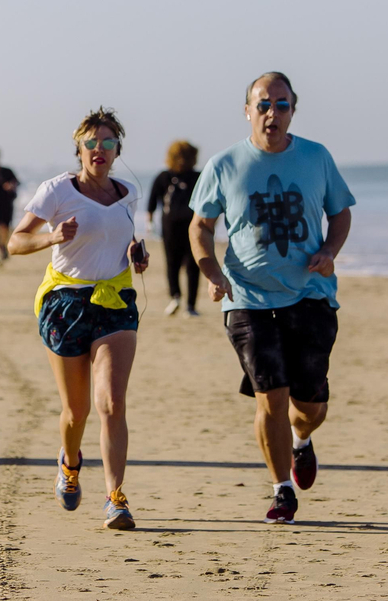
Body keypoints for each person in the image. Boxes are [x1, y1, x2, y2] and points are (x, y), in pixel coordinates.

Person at [190, 75, 354, 525]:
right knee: (270, 398)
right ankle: (282, 489)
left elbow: (340, 212)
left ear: (293, 111)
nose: (272, 114)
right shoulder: (225, 165)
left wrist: (329, 251)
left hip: (311, 295)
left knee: (309, 406)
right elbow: (200, 227)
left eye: (282, 105)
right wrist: (211, 270)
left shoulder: (316, 157)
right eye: (263, 104)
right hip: (247, 298)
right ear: (247, 110)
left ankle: (302, 439)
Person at [9, 108, 149, 531]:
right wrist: (52, 237)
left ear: (118, 149)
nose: (99, 150)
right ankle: (69, 463)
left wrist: (136, 258)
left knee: (111, 402)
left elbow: (118, 243)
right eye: (91, 143)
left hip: (115, 301)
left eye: (108, 143)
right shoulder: (56, 191)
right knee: (76, 411)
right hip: (65, 303)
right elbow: (15, 242)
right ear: (79, 149)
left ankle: (115, 498)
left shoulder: (128, 194)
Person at [149, 141, 202, 316]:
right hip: (170, 227)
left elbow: (207, 202)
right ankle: (176, 297)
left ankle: (190, 304)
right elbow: (152, 201)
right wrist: (150, 224)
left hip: (192, 227)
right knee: (173, 263)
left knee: (193, 265)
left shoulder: (197, 177)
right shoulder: (164, 177)